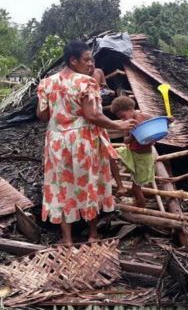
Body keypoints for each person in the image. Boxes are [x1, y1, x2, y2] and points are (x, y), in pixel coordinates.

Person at [36, 41, 137, 244]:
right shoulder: (86, 82)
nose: (91, 63)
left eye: (91, 59)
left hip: (56, 141)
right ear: (73, 60)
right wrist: (119, 125)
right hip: (82, 140)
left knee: (61, 186)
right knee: (89, 183)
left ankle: (67, 239)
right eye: (86, 59)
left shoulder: (46, 83)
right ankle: (92, 234)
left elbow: (42, 114)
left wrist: (62, 113)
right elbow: (92, 115)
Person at [110, 96, 170, 208]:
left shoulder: (146, 117)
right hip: (131, 152)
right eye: (121, 118)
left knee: (136, 189)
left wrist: (169, 121)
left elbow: (159, 126)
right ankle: (120, 185)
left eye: (123, 116)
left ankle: (141, 208)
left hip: (144, 158)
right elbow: (125, 140)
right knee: (111, 154)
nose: (123, 120)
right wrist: (132, 134)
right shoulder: (128, 124)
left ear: (131, 108)